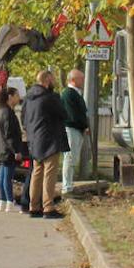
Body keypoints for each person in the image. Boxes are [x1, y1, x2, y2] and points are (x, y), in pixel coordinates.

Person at [21, 68, 69, 219]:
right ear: (47, 81)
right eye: (52, 79)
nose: (54, 81)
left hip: (35, 140)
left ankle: (33, 206)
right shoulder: (50, 97)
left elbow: (23, 118)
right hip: (50, 140)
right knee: (49, 174)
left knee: (36, 173)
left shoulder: (29, 98)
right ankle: (48, 207)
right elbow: (63, 113)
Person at [0, 86, 26, 213]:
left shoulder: (1, 111)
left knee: (2, 177)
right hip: (8, 151)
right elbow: (9, 134)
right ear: (10, 97)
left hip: (1, 149)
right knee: (7, 177)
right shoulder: (8, 113)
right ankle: (10, 202)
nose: (19, 98)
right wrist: (16, 151)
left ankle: (3, 201)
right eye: (17, 95)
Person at [61, 68, 90, 196]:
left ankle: (69, 184)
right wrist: (83, 126)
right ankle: (66, 186)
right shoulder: (69, 94)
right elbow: (73, 115)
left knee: (73, 158)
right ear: (73, 80)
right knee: (70, 157)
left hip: (76, 129)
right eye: (81, 78)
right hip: (71, 128)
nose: (83, 80)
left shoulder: (76, 93)